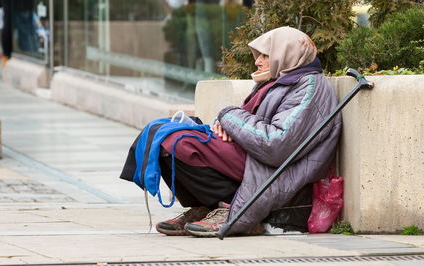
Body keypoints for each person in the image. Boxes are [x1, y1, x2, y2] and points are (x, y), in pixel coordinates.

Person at [121, 26, 342, 237]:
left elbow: (276, 143)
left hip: (267, 168)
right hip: (252, 157)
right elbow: (246, 122)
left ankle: (229, 207)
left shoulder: (309, 88)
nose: (257, 61)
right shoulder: (279, 81)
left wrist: (228, 116)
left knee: (178, 142)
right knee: (161, 131)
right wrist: (224, 123)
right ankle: (207, 206)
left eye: (265, 55)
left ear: (286, 54)